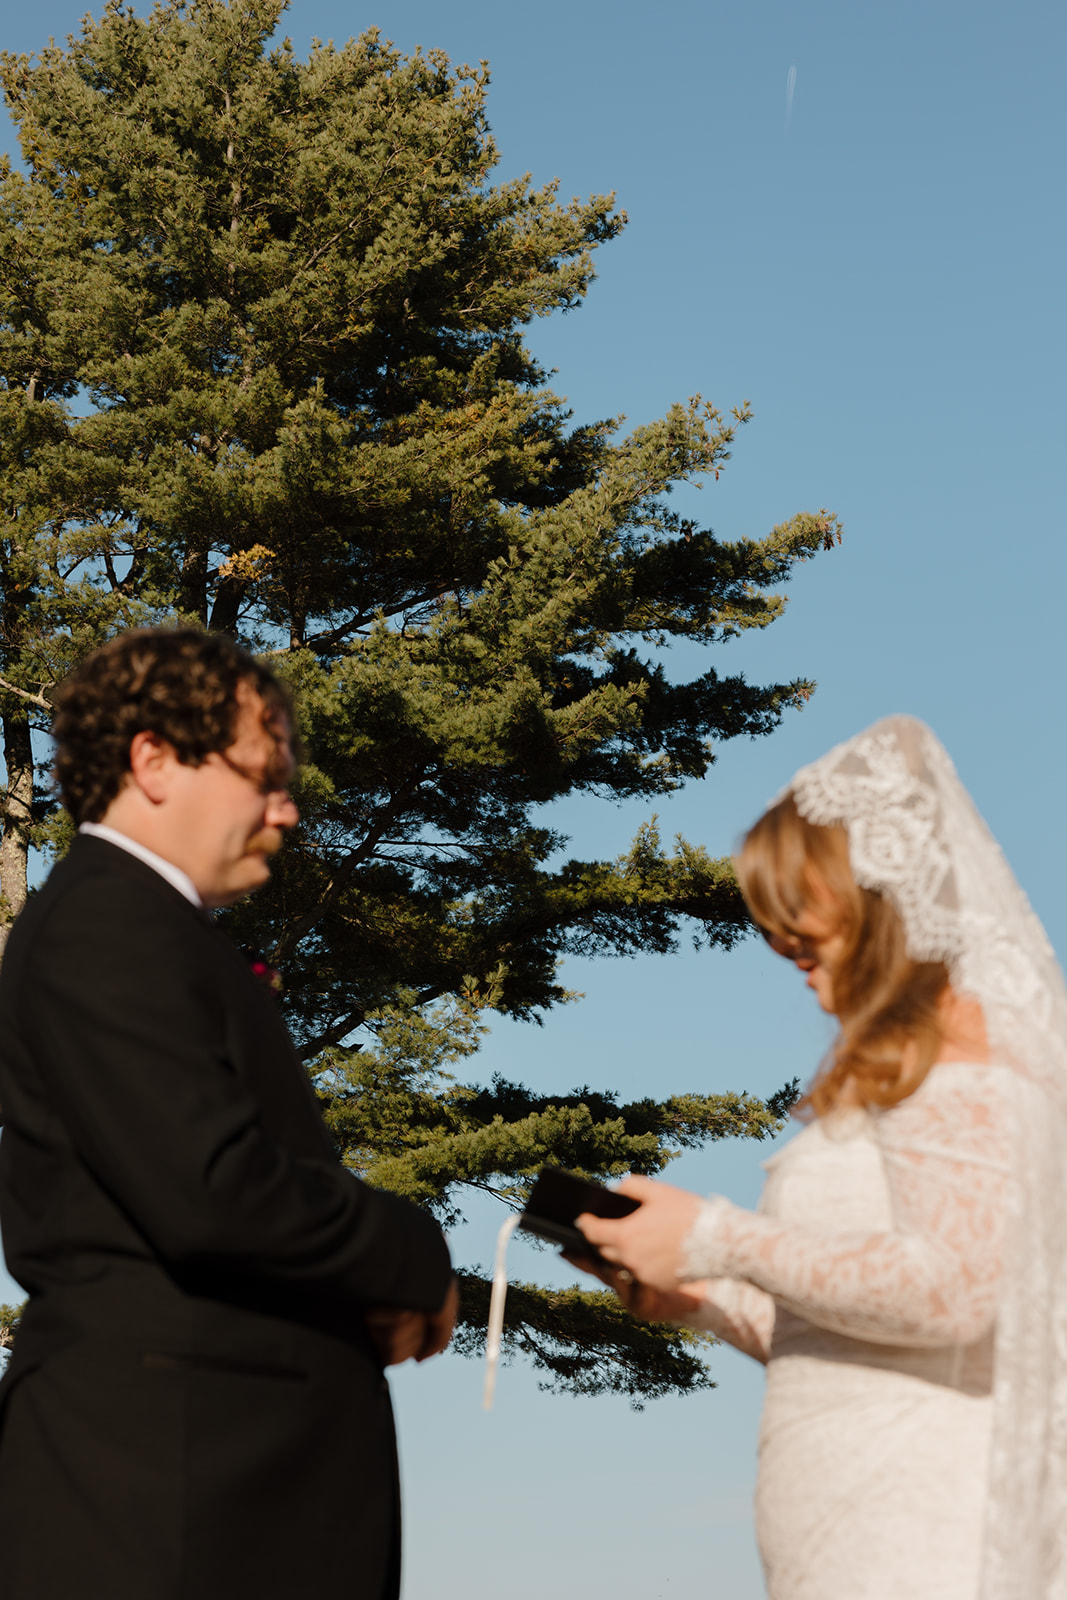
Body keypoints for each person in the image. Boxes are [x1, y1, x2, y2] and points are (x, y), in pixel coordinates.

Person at [0, 628, 457, 1600]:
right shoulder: (104, 922)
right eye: (265, 773)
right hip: (168, 1506)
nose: (287, 808)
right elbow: (211, 1189)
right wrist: (411, 1251)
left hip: (216, 1498)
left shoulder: (151, 929)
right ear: (153, 759)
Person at [573, 715, 1067, 1599]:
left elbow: (952, 1291)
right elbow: (840, 1329)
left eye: (801, 911)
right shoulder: (887, 1063)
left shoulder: (960, 1050)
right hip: (843, 1534)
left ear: (873, 893)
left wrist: (719, 1236)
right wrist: (695, 1298)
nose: (781, 944)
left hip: (923, 1531)